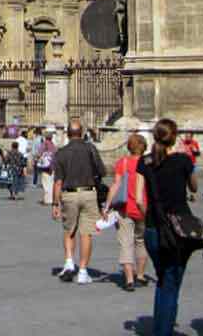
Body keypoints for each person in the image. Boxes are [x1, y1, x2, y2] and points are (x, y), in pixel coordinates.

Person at [138, 118, 198, 336]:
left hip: (153, 228)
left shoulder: (144, 162)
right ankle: (164, 331)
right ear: (175, 137)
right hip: (178, 229)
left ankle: (161, 328)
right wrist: (185, 156)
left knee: (163, 280)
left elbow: (139, 196)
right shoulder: (183, 160)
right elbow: (194, 187)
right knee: (171, 283)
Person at [54, 117, 106, 284]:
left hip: (69, 194)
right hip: (89, 192)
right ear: (82, 133)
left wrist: (55, 203)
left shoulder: (61, 153)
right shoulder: (90, 149)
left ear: (68, 134)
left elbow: (58, 181)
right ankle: (83, 270)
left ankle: (69, 262)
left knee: (69, 229)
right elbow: (102, 171)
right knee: (86, 233)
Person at [102, 132, 149, 291]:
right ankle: (141, 275)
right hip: (143, 208)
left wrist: (107, 206)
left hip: (125, 208)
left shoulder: (123, 163)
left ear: (129, 147)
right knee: (141, 242)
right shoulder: (148, 164)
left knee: (126, 243)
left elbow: (115, 185)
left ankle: (129, 279)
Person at [37, 130, 58, 206]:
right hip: (53, 167)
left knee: (45, 183)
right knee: (51, 183)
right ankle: (51, 199)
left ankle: (47, 200)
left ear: (45, 137)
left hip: (45, 167)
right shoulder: (54, 146)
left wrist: (38, 159)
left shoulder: (44, 144)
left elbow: (39, 153)